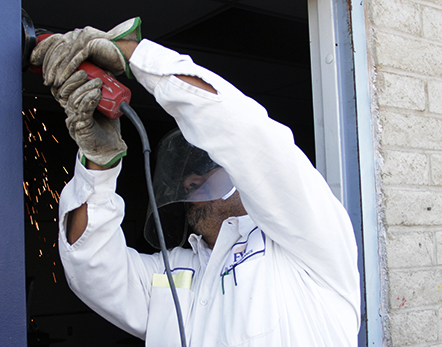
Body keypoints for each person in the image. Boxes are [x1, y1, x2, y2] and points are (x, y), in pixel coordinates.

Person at [30, 18, 361, 346]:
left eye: (206, 168)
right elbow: (91, 265)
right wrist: (98, 162)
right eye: (188, 172)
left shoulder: (305, 243)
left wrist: (131, 54)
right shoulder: (176, 273)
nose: (189, 178)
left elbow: (251, 139)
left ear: (242, 176)